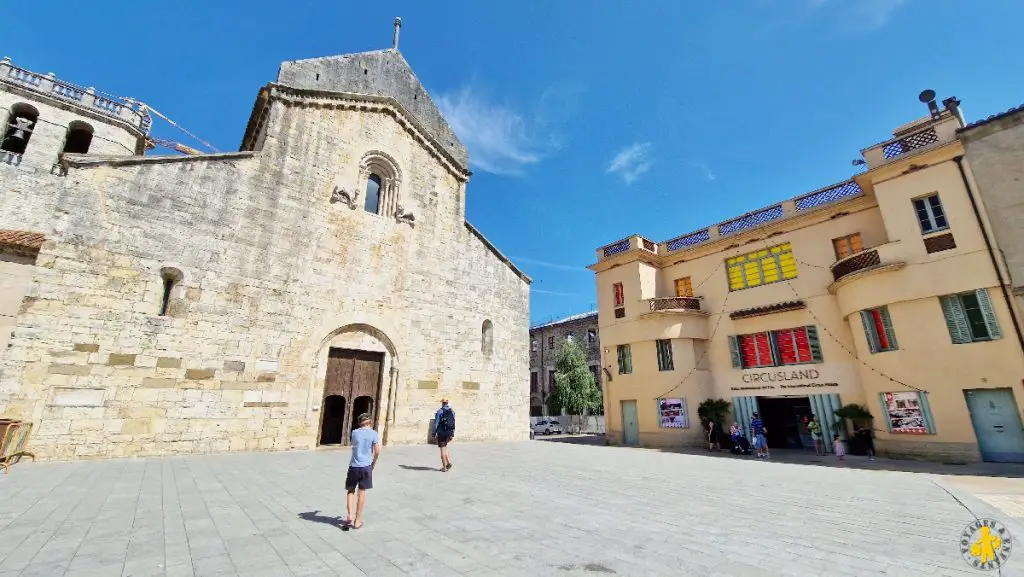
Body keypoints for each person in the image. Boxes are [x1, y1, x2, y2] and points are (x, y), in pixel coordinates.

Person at [344, 413, 380, 530]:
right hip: (366, 466)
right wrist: (373, 463)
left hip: (354, 465)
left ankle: (349, 515)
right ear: (370, 422)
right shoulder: (374, 434)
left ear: (359, 423)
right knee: (362, 492)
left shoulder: (354, 433)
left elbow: (354, 445)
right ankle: (357, 520)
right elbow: (377, 451)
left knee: (350, 490)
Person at [433, 398, 456, 472]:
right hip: (449, 433)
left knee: (442, 449)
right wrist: (452, 434)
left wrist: (434, 433)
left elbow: (436, 423)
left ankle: (445, 467)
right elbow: (453, 423)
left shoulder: (440, 411)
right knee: (445, 447)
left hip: (441, 433)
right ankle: (448, 462)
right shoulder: (452, 411)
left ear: (442, 403)